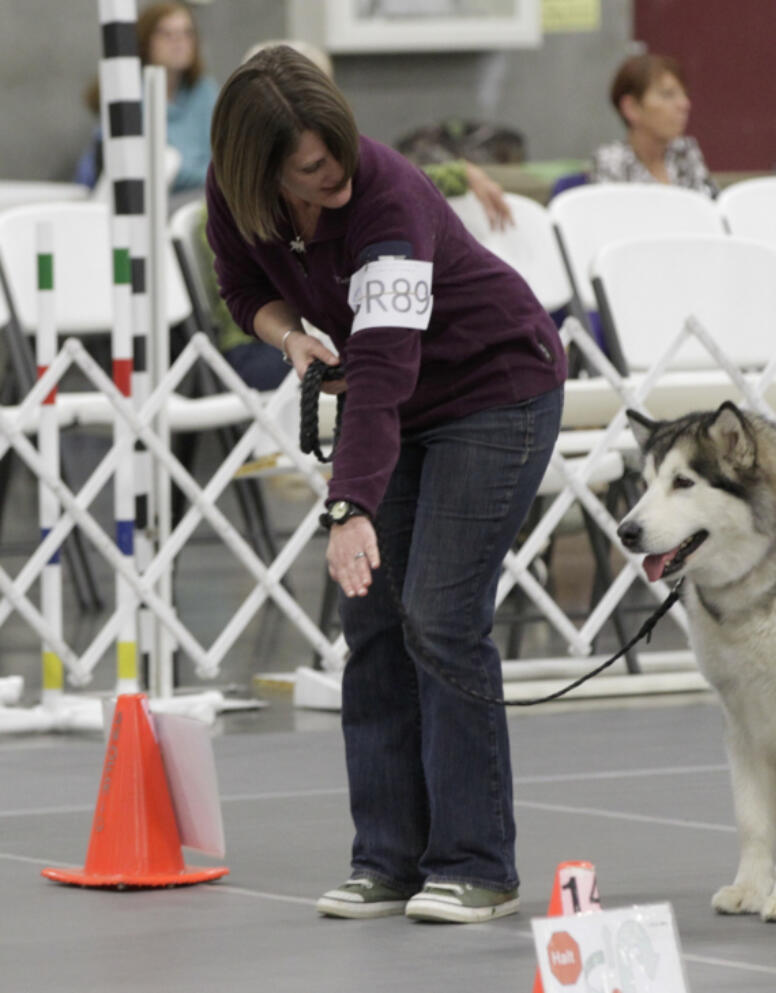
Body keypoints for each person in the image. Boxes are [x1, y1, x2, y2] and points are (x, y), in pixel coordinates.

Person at [206, 45, 566, 923]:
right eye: (307, 173)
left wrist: (348, 505)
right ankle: (387, 860)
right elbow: (241, 284)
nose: (330, 181)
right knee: (372, 624)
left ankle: (476, 863)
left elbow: (381, 373)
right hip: (403, 403)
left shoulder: (390, 201)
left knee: (441, 615)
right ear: (257, 171)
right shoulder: (232, 192)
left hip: (496, 390)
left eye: (335, 160)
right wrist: (289, 333)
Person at [197, 38, 515, 392]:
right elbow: (241, 291)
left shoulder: (359, 176)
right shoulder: (227, 200)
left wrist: (463, 173)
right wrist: (291, 338)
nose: (308, 108)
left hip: (389, 353)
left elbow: (395, 185)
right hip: (260, 344)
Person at [76, 2, 218, 196]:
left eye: (187, 33)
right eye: (167, 34)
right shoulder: (127, 95)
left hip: (199, 197)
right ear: (146, 40)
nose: (179, 41)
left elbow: (219, 160)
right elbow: (141, 169)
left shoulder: (205, 92)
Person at [592, 53, 717, 197]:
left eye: (684, 94)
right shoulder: (612, 162)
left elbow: (710, 210)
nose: (684, 104)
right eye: (668, 95)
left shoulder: (685, 152)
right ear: (631, 108)